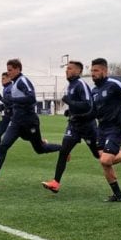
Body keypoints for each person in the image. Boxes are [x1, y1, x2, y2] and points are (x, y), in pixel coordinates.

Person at [0, 59, 62, 187]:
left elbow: (31, 98)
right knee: (3, 145)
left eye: (10, 70)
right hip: (16, 121)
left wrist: (13, 99)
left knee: (39, 149)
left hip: (29, 121)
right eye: (7, 70)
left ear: (18, 69)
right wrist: (6, 101)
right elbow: (14, 102)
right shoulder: (14, 84)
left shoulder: (23, 81)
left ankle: (63, 149)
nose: (8, 73)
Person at [87, 58, 121, 202]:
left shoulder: (114, 84)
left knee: (106, 160)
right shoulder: (94, 90)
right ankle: (118, 195)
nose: (93, 73)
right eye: (92, 71)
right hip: (102, 128)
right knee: (103, 161)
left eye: (96, 70)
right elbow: (93, 111)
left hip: (115, 127)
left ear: (105, 71)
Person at [41, 60, 100, 193]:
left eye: (70, 68)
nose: (67, 70)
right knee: (63, 152)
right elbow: (77, 105)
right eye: (67, 68)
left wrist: (70, 102)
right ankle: (55, 183)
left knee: (98, 154)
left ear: (79, 71)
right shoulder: (71, 85)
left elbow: (87, 105)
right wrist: (70, 111)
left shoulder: (80, 84)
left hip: (87, 126)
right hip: (74, 125)